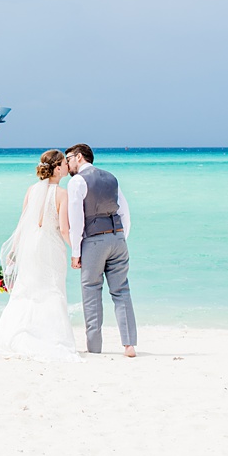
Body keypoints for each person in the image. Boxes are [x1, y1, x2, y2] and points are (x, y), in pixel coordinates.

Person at [0, 150, 80, 362]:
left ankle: (18, 333)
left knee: (28, 290)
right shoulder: (62, 194)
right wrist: (77, 251)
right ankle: (50, 336)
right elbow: (65, 230)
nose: (68, 166)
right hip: (52, 248)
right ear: (57, 168)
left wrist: (14, 251)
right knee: (52, 290)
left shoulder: (31, 190)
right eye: (64, 164)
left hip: (31, 248)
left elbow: (23, 223)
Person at [65, 143, 137, 357]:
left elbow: (76, 220)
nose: (67, 162)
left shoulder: (77, 181)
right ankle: (129, 344)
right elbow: (125, 212)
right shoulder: (111, 177)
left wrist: (75, 252)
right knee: (122, 291)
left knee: (91, 292)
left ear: (79, 157)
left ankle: (94, 348)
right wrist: (120, 238)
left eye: (68, 158)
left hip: (93, 241)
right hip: (118, 238)